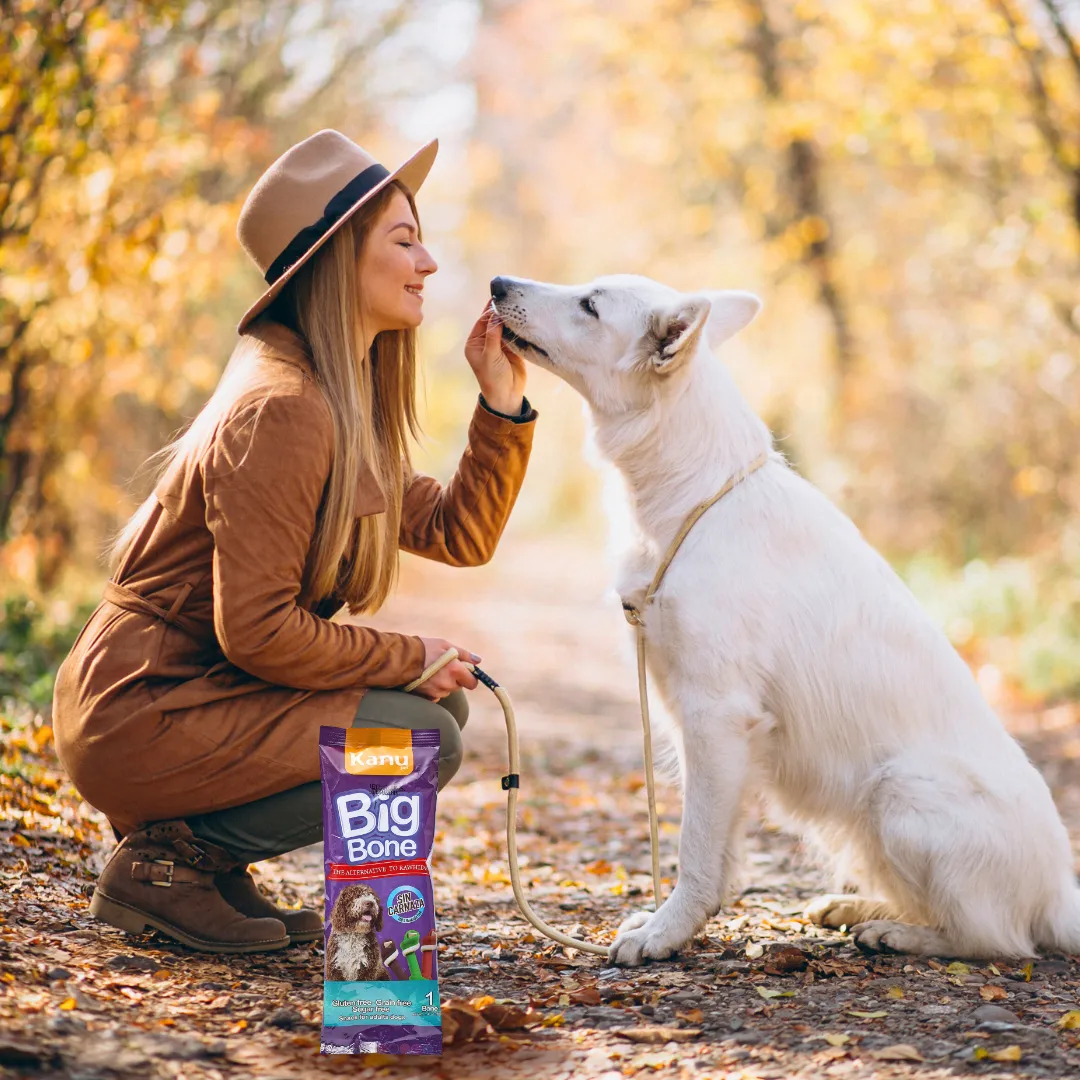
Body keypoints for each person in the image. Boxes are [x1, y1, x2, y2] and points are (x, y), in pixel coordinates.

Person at [52, 130, 535, 954]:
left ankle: (209, 868)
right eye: (405, 240)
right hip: (146, 705)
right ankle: (175, 864)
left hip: (191, 693)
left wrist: (501, 402)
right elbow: (260, 631)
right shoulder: (284, 409)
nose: (430, 264)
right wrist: (405, 652)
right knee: (422, 730)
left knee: (433, 706)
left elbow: (460, 532)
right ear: (337, 258)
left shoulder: (332, 402)